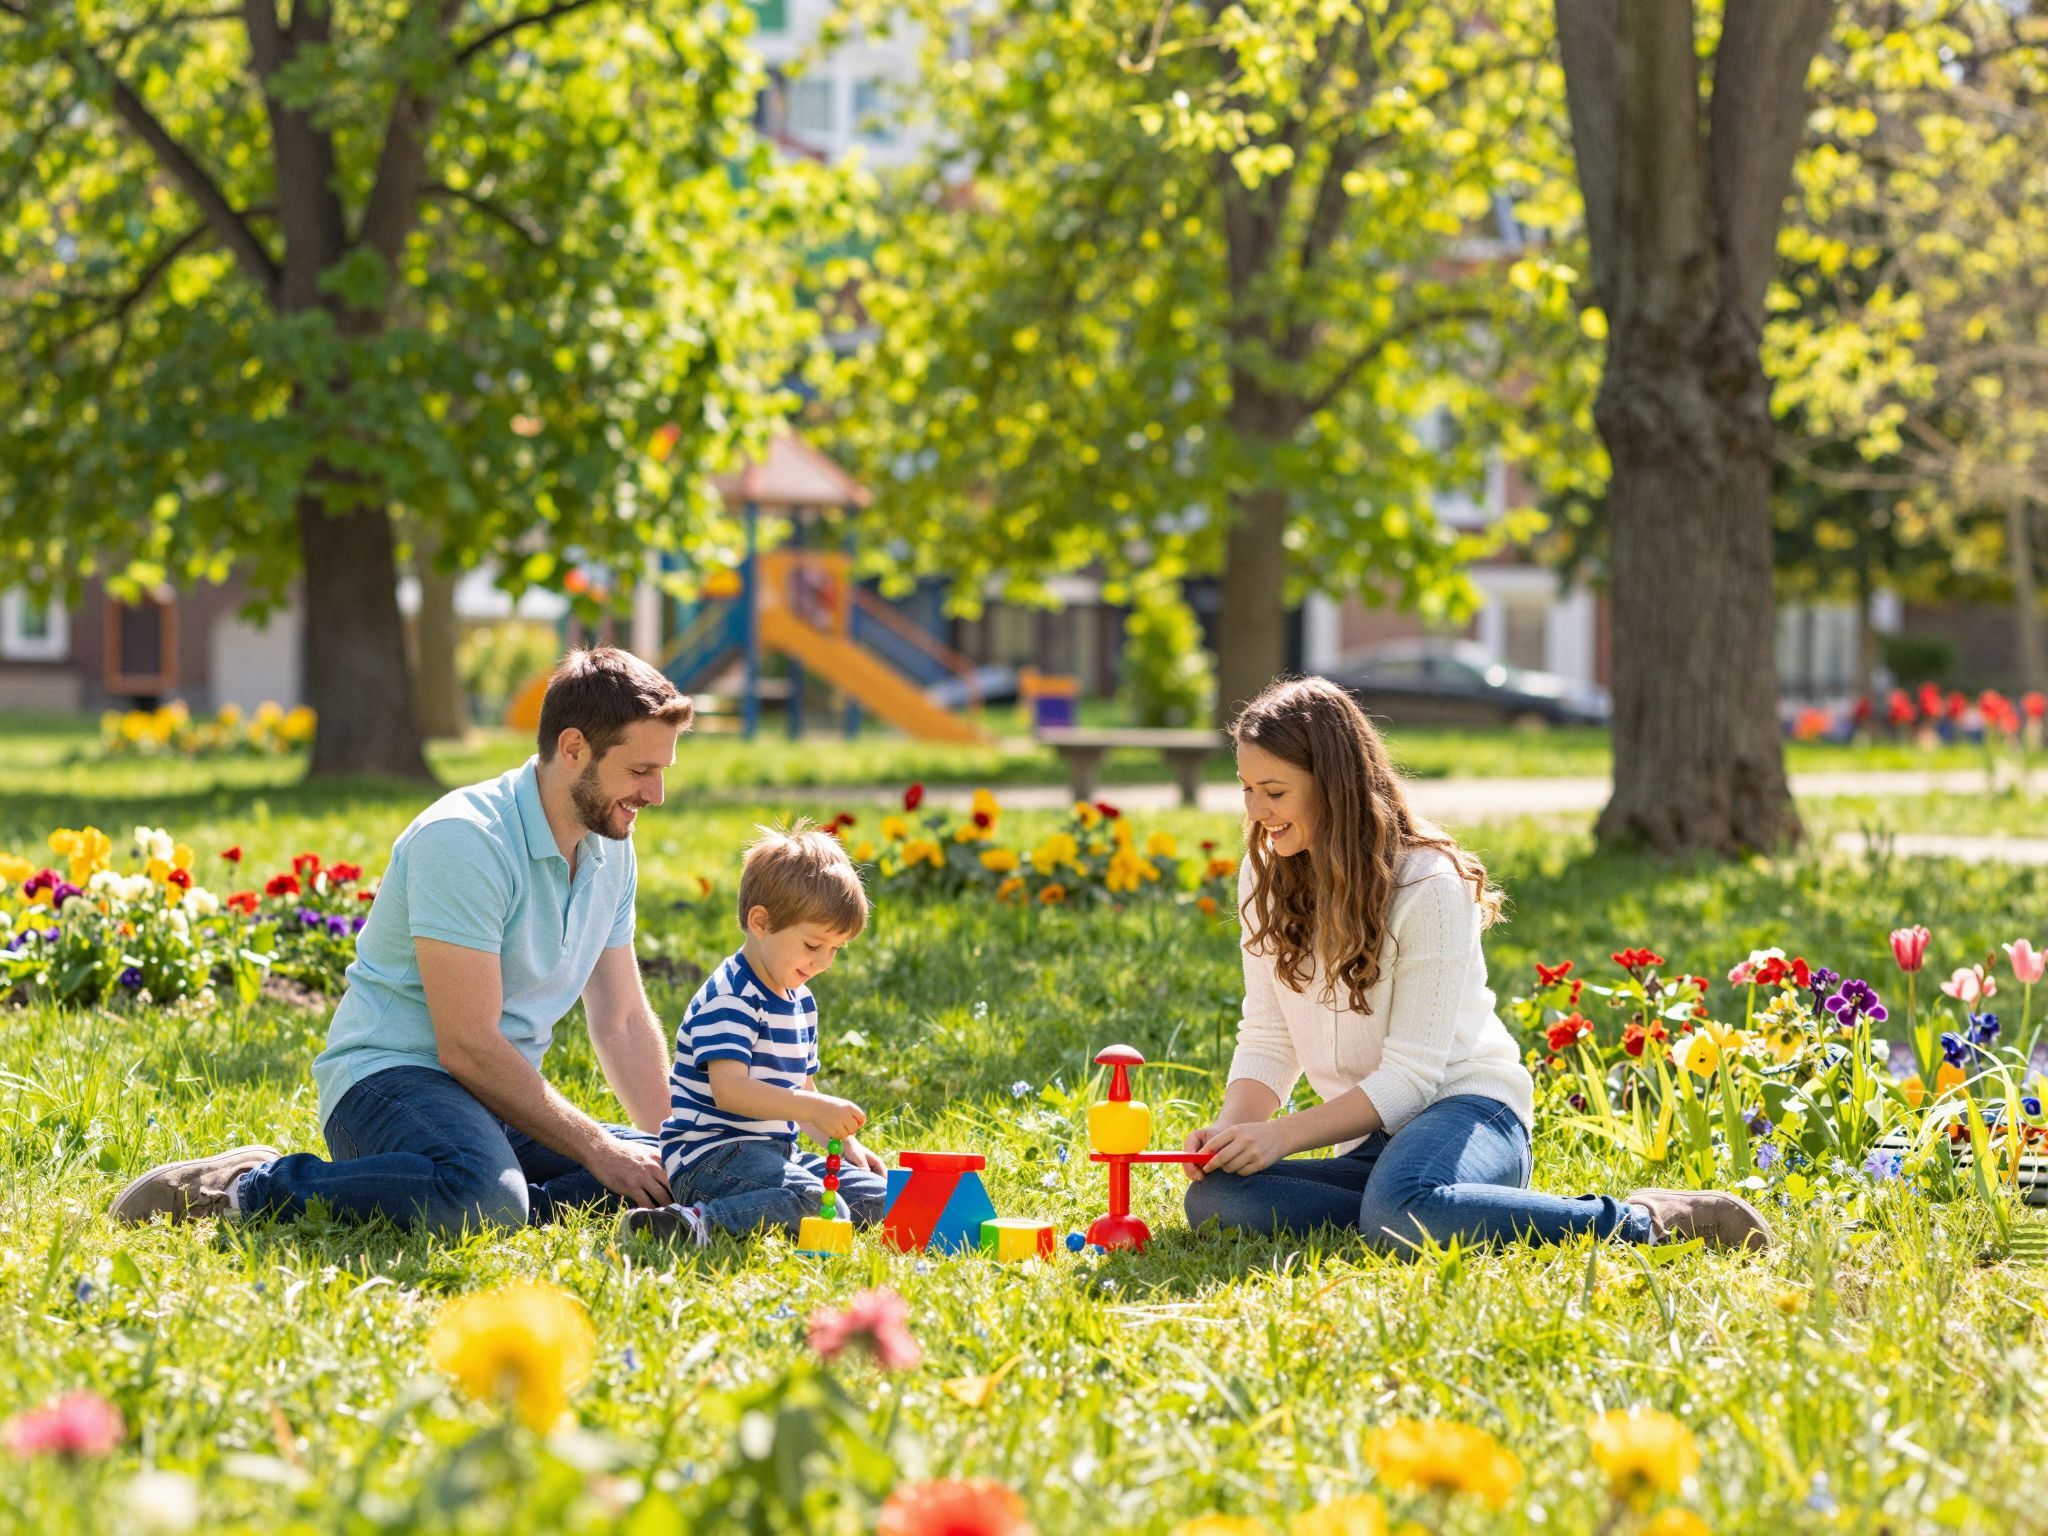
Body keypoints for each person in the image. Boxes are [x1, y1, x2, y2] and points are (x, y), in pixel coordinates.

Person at [1183, 676, 1773, 1255]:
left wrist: (1281, 1136)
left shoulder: (1427, 883)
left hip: (1468, 1113)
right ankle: (1429, 1209)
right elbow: (1268, 1035)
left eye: (1275, 791)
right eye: (1246, 790)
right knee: (1222, 1199)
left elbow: (1411, 1078)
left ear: (1331, 785)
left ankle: (1648, 1220)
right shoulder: (1264, 875)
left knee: (1400, 1212)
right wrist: (1234, 1133)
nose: (1258, 812)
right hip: (1370, 1137)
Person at [112, 647, 692, 1235]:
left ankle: (502, 1194)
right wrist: (596, 1148)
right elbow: (465, 1045)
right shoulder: (466, 839)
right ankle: (240, 1187)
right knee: (482, 1200)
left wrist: (687, 1148)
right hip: (389, 1082)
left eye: (662, 770)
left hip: (499, 1100)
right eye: (641, 770)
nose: (657, 793)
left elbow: (619, 1020)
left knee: (674, 1170)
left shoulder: (610, 845)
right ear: (573, 749)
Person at [617, 821, 887, 1247]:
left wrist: (844, 1144)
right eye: (814, 946)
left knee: (880, 1198)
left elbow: (802, 1092)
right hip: (711, 1159)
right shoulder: (732, 995)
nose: (824, 962)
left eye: (836, 949)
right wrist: (815, 1107)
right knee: (812, 1199)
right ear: (761, 922)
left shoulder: (800, 1000)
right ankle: (692, 1222)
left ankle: (771, 1209)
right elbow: (731, 1092)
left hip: (775, 1154)